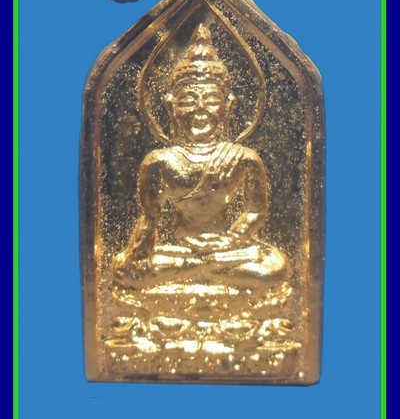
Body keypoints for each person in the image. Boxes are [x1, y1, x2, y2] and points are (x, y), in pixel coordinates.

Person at [113, 24, 287, 290]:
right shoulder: (159, 161)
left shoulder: (244, 158)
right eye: (188, 100)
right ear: (171, 106)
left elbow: (254, 211)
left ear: (229, 106)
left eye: (212, 100)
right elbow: (149, 218)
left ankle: (197, 268)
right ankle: (204, 267)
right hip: (180, 249)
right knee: (125, 268)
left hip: (227, 248)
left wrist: (230, 240)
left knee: (274, 267)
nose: (200, 109)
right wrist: (138, 257)